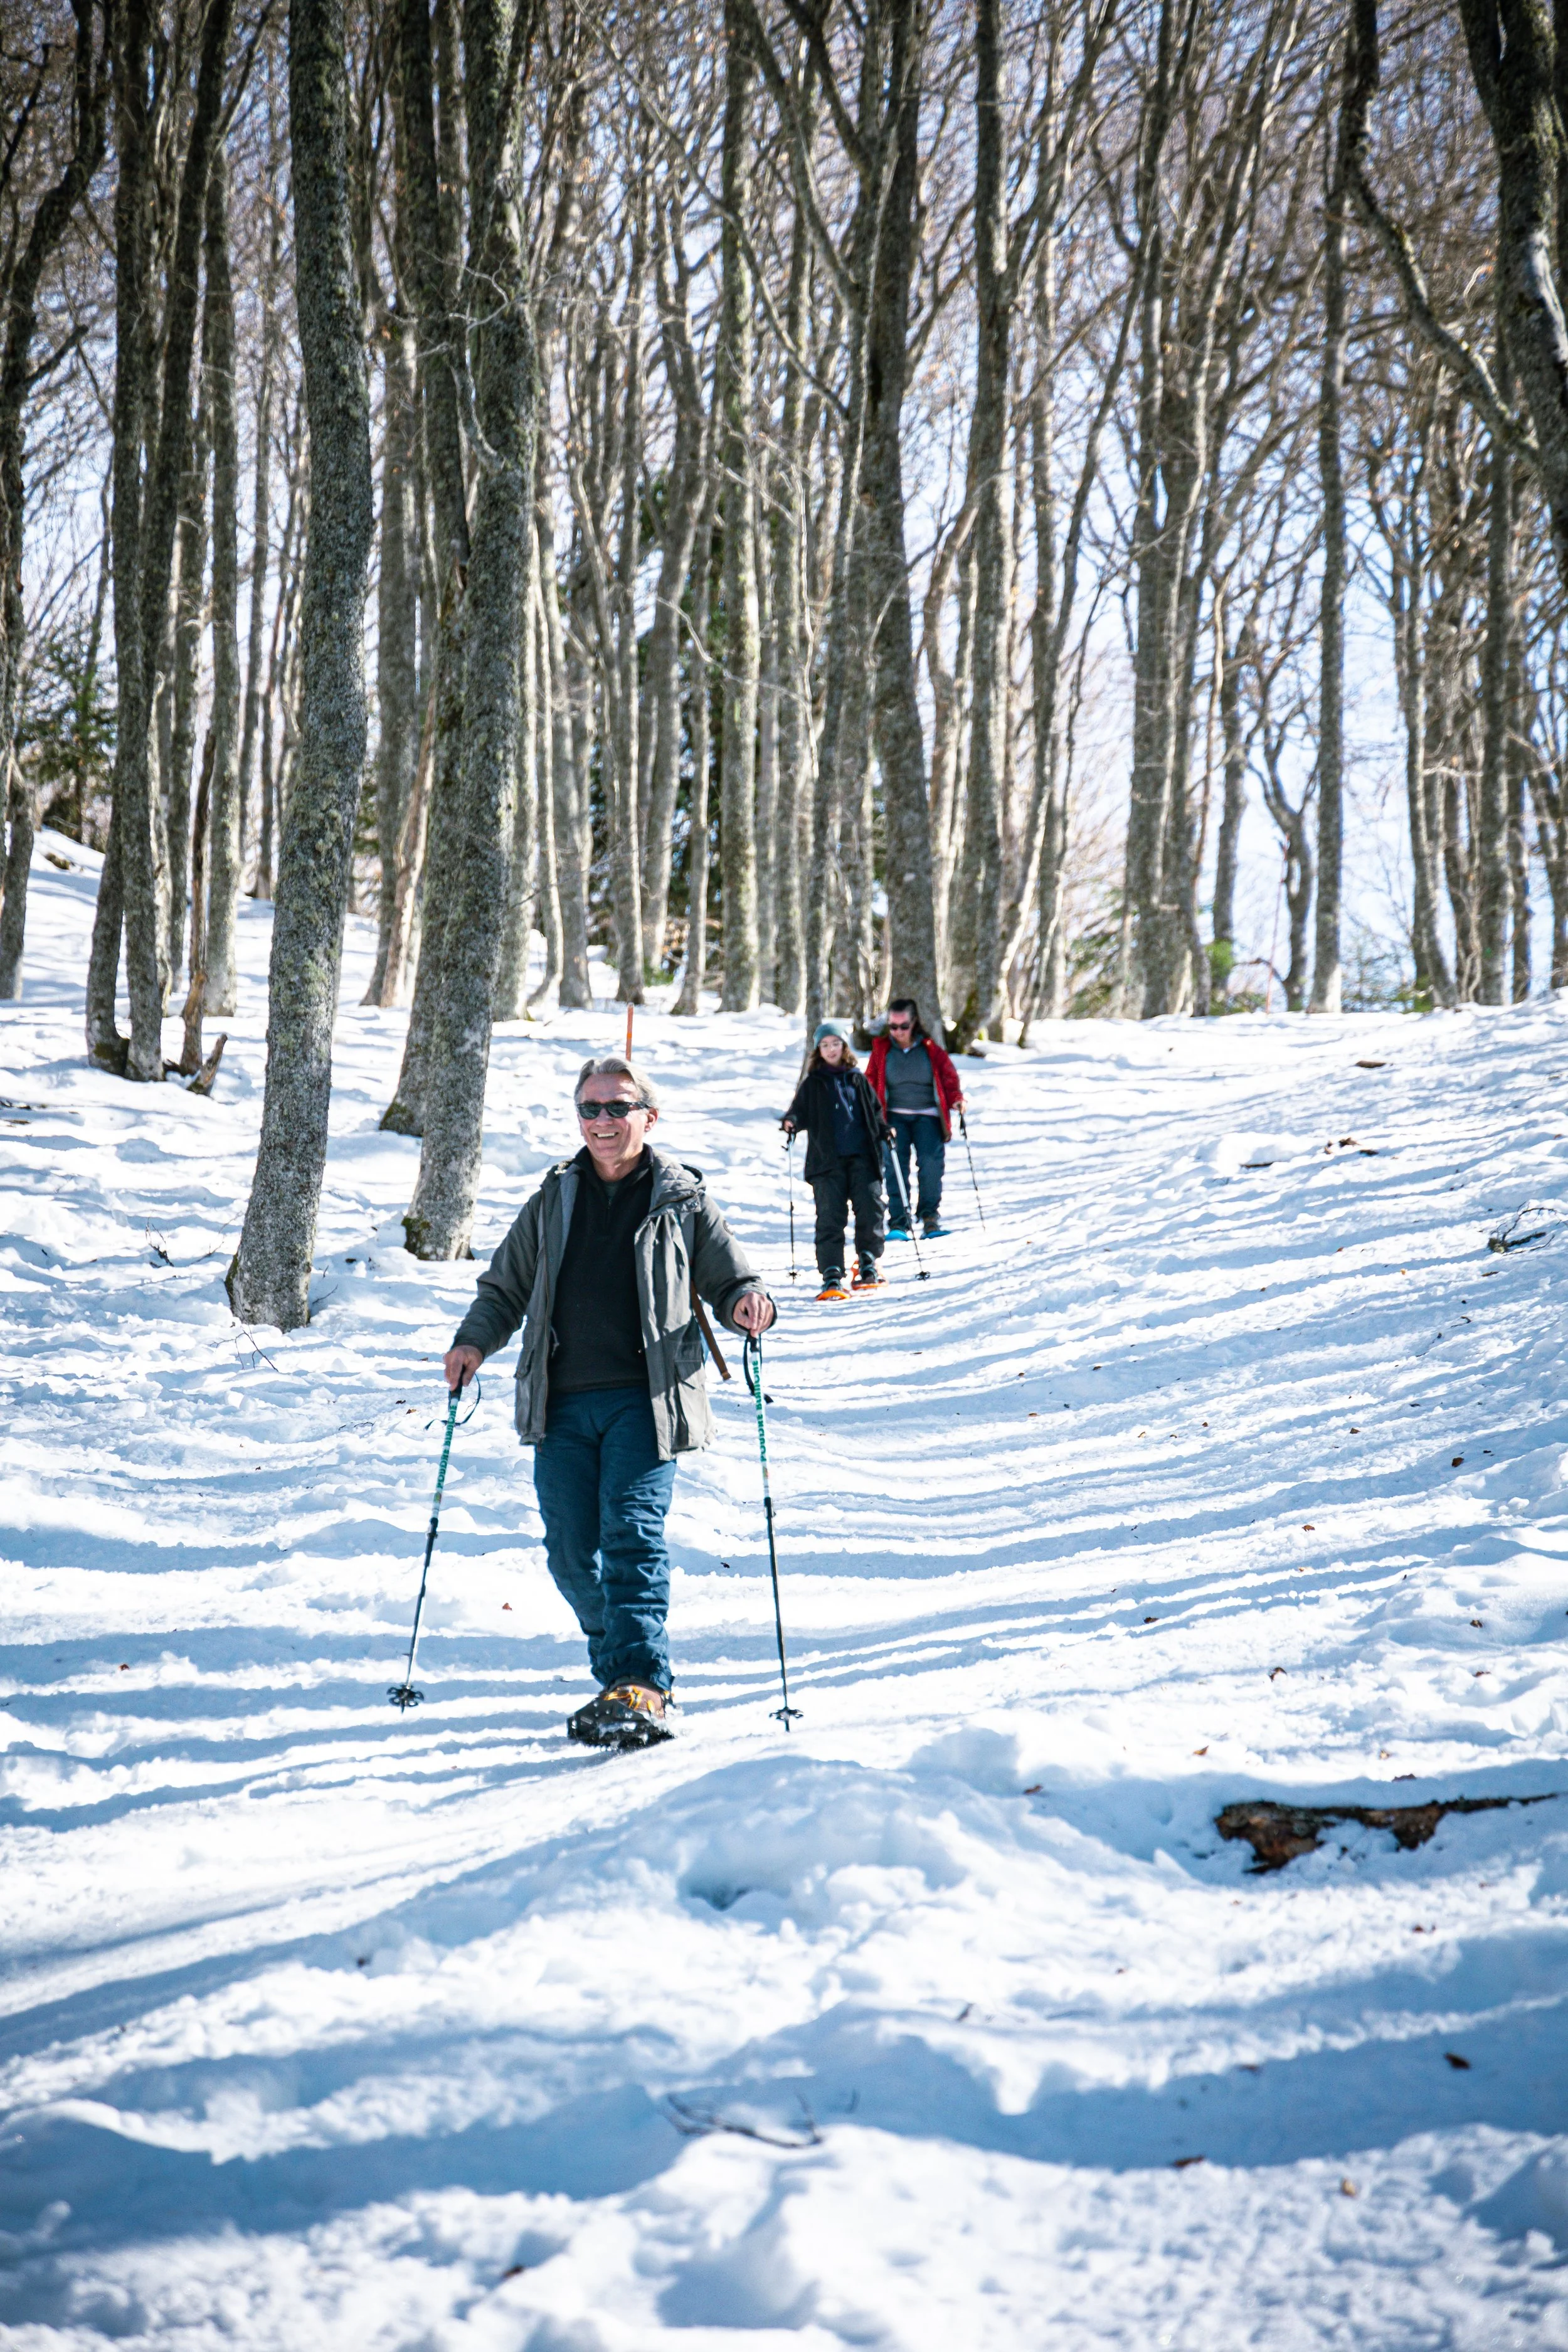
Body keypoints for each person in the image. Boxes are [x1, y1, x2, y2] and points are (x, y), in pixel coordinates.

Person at [443, 1056, 775, 1751]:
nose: (601, 1121)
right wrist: (473, 1343)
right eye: (589, 1108)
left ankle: (641, 1683)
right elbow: (504, 1287)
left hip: (647, 1400)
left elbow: (731, 1275)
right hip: (560, 1402)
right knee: (570, 1554)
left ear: (647, 1118)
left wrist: (750, 1303)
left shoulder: (679, 1198)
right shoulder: (554, 1197)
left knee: (630, 1533)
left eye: (616, 1108)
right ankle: (620, 1672)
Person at [781, 1019, 890, 1298]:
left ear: (844, 1046)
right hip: (826, 1162)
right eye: (825, 1045)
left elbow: (875, 1112)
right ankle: (831, 1273)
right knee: (830, 1215)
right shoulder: (813, 1083)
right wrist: (792, 1122)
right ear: (818, 1050)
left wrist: (885, 1129)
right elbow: (799, 1111)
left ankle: (868, 1262)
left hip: (863, 1157)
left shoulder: (857, 1079)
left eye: (836, 1044)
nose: (831, 1049)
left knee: (870, 1207)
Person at [865, 997, 963, 1241]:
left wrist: (957, 1099)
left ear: (914, 1023)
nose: (898, 1032)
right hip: (894, 1117)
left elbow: (949, 1079)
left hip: (928, 1116)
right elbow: (870, 1080)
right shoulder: (882, 1050)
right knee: (895, 1165)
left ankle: (930, 1217)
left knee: (931, 1163)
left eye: (903, 1026)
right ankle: (899, 1220)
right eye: (893, 1027)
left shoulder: (931, 1050)